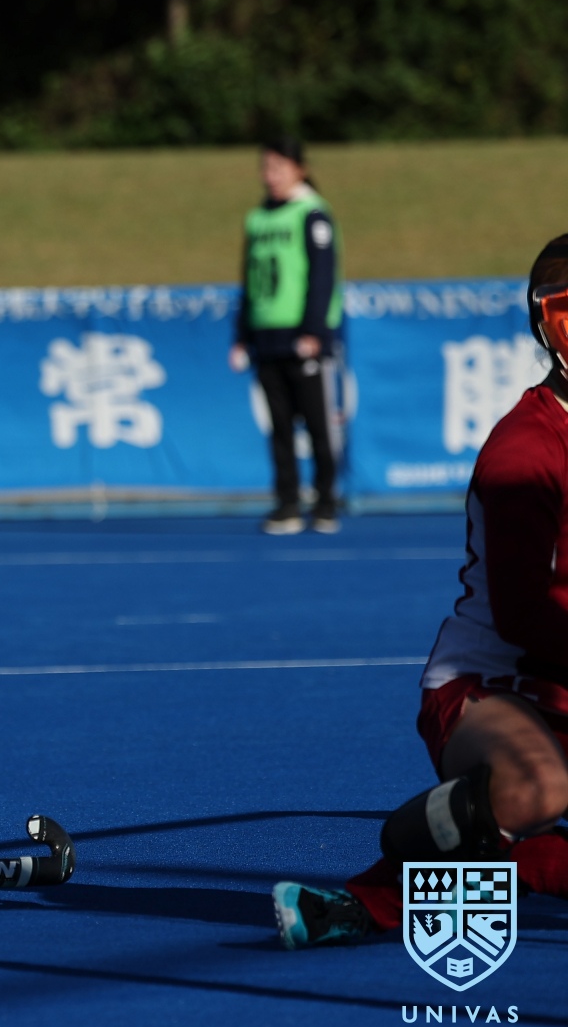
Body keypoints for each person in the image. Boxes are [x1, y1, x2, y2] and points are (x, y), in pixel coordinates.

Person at [271, 235, 568, 950]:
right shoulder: (525, 451)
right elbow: (526, 615)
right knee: (537, 787)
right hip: (494, 685)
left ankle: (500, 862)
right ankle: (380, 891)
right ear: (552, 328)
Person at [229, 136, 344, 534]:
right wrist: (242, 334)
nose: (270, 175)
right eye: (266, 167)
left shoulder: (312, 213)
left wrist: (314, 330)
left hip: (302, 335)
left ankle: (326, 501)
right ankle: (288, 502)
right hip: (267, 335)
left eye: (278, 167)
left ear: (299, 169)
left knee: (317, 424)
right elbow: (249, 279)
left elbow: (322, 275)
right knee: (278, 427)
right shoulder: (257, 218)